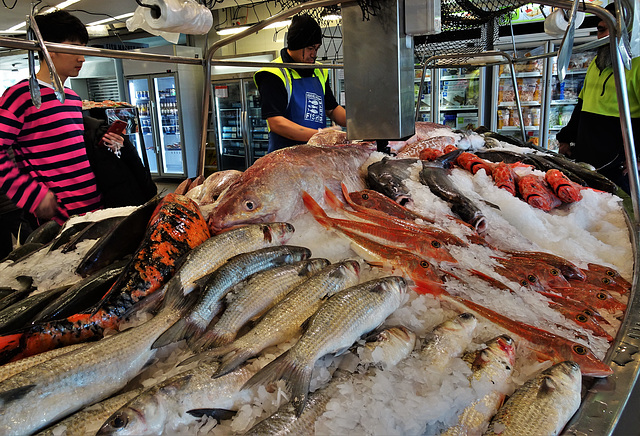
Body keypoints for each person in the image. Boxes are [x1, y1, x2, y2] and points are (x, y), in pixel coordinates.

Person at [0, 10, 118, 233]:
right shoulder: (21, 96)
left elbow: (70, 152)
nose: (82, 58)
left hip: (94, 208)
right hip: (57, 219)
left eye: (83, 49)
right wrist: (31, 195)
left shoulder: (72, 98)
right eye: (75, 49)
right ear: (49, 49)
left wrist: (108, 144)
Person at [557, 2, 640, 193]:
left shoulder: (636, 65)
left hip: (620, 166)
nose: (602, 37)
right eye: (600, 30)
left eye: (608, 30)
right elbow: (583, 104)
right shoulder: (596, 62)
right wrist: (566, 138)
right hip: (586, 156)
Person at [254, 14, 346, 153]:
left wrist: (360, 127)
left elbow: (332, 109)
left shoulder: (319, 70)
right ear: (296, 45)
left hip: (316, 155)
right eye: (310, 48)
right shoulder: (273, 73)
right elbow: (276, 123)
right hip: (285, 159)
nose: (314, 54)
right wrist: (320, 135)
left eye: (316, 48)